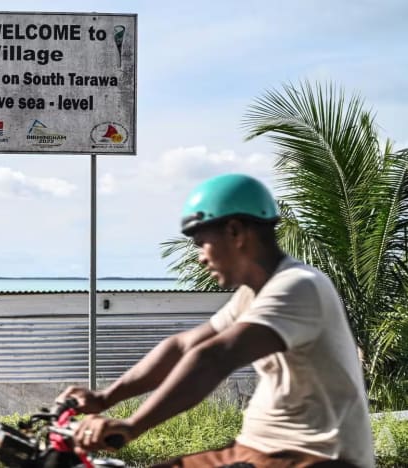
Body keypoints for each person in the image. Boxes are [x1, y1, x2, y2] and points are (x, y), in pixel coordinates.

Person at [59, 174, 374, 468]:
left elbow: (214, 357)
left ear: (235, 232)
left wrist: (131, 426)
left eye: (201, 243)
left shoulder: (299, 286)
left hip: (314, 457)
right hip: (258, 448)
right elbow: (183, 346)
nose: (200, 257)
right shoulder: (252, 294)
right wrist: (104, 398)